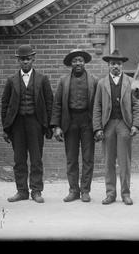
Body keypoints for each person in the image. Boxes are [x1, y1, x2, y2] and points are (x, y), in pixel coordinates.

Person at [1, 44, 53, 203]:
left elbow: (49, 103)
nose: (25, 62)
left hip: (35, 123)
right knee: (19, 159)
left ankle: (36, 191)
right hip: (17, 125)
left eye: (28, 59)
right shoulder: (11, 80)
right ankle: (21, 191)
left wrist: (49, 126)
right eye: (22, 59)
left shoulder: (42, 79)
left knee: (36, 159)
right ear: (18, 61)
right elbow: (5, 104)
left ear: (33, 59)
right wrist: (5, 127)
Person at [93, 49, 139, 205]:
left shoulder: (130, 82)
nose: (116, 66)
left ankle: (126, 194)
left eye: (119, 64)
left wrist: (135, 125)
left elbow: (136, 106)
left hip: (124, 124)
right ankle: (110, 193)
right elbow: (97, 107)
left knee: (124, 161)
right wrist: (98, 127)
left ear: (122, 66)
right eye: (113, 64)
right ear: (108, 65)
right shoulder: (102, 83)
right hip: (108, 125)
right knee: (108, 161)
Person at [51, 49, 98, 203]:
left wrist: (98, 127)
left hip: (87, 122)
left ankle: (85, 191)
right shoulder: (63, 81)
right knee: (71, 159)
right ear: (70, 63)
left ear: (85, 63)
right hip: (69, 121)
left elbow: (98, 106)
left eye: (81, 60)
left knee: (88, 158)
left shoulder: (93, 80)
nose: (78, 63)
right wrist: (57, 126)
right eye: (75, 61)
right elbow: (57, 104)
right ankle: (73, 191)